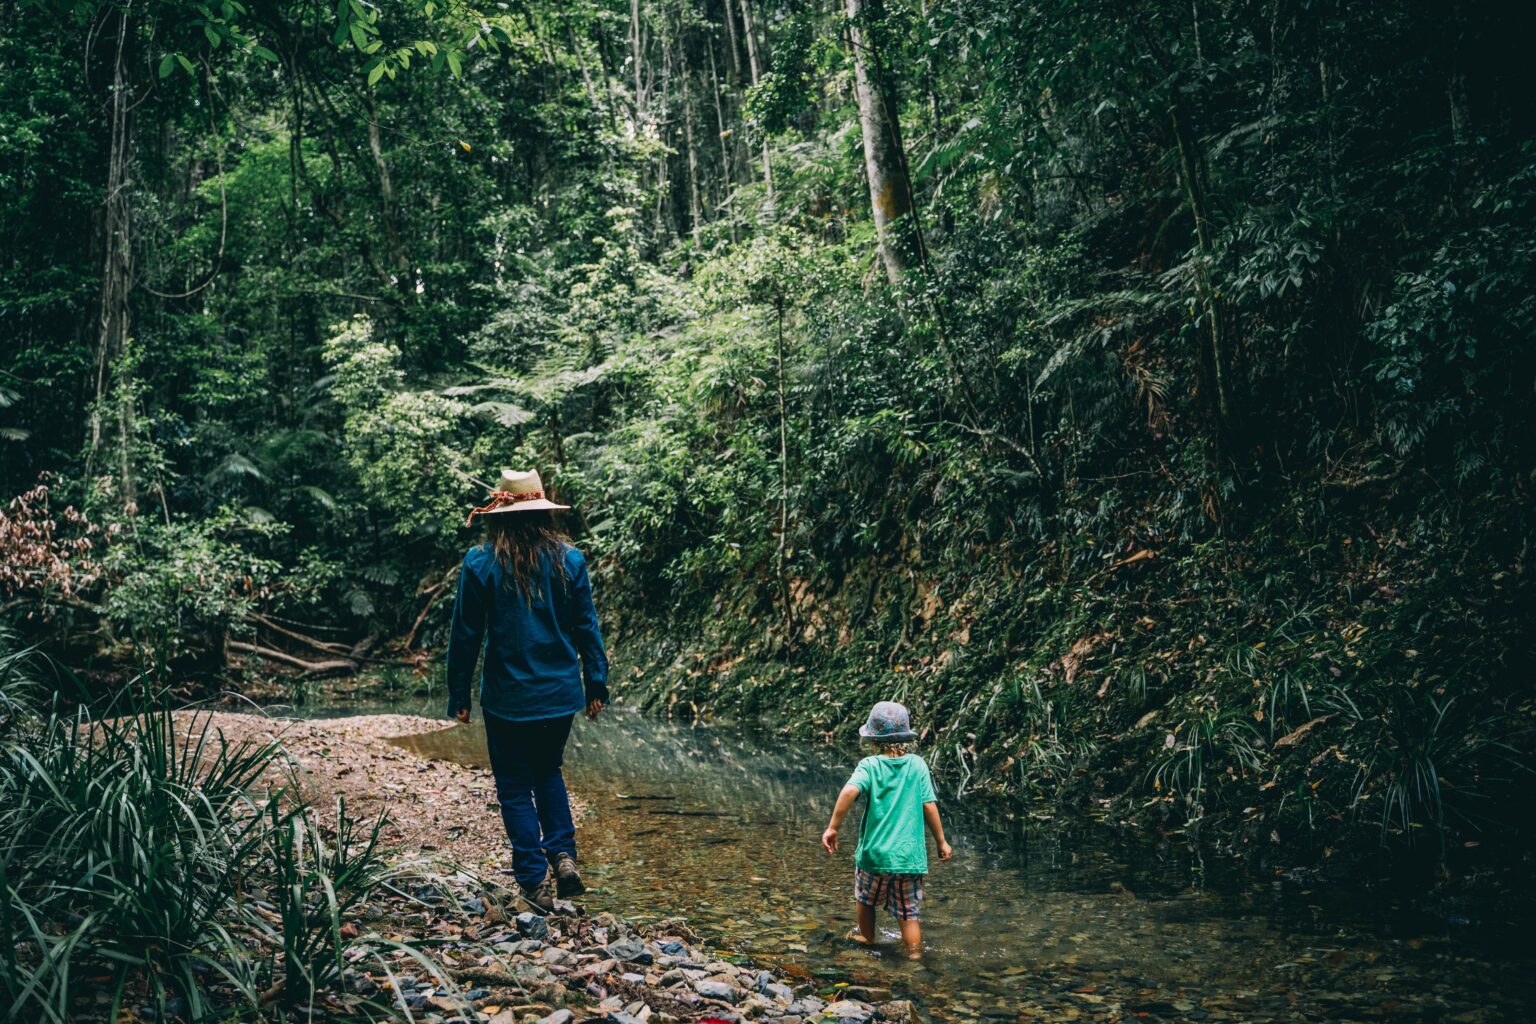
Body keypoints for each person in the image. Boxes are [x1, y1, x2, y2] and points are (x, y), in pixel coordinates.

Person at [447, 468, 609, 913]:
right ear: (542, 513)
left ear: (499, 514)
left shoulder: (480, 563)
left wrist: (458, 693)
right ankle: (562, 854)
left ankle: (534, 883)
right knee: (548, 770)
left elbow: (465, 635)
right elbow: (586, 628)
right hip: (559, 695)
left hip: (507, 697)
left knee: (515, 787)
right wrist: (597, 683)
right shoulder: (570, 561)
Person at [821, 700, 952, 959]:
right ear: (906, 737)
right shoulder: (917, 765)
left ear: (873, 738)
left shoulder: (869, 766)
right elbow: (929, 805)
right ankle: (914, 956)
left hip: (875, 855)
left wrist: (833, 827)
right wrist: (941, 841)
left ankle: (867, 939)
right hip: (909, 858)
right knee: (909, 913)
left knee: (866, 900)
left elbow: (849, 791)